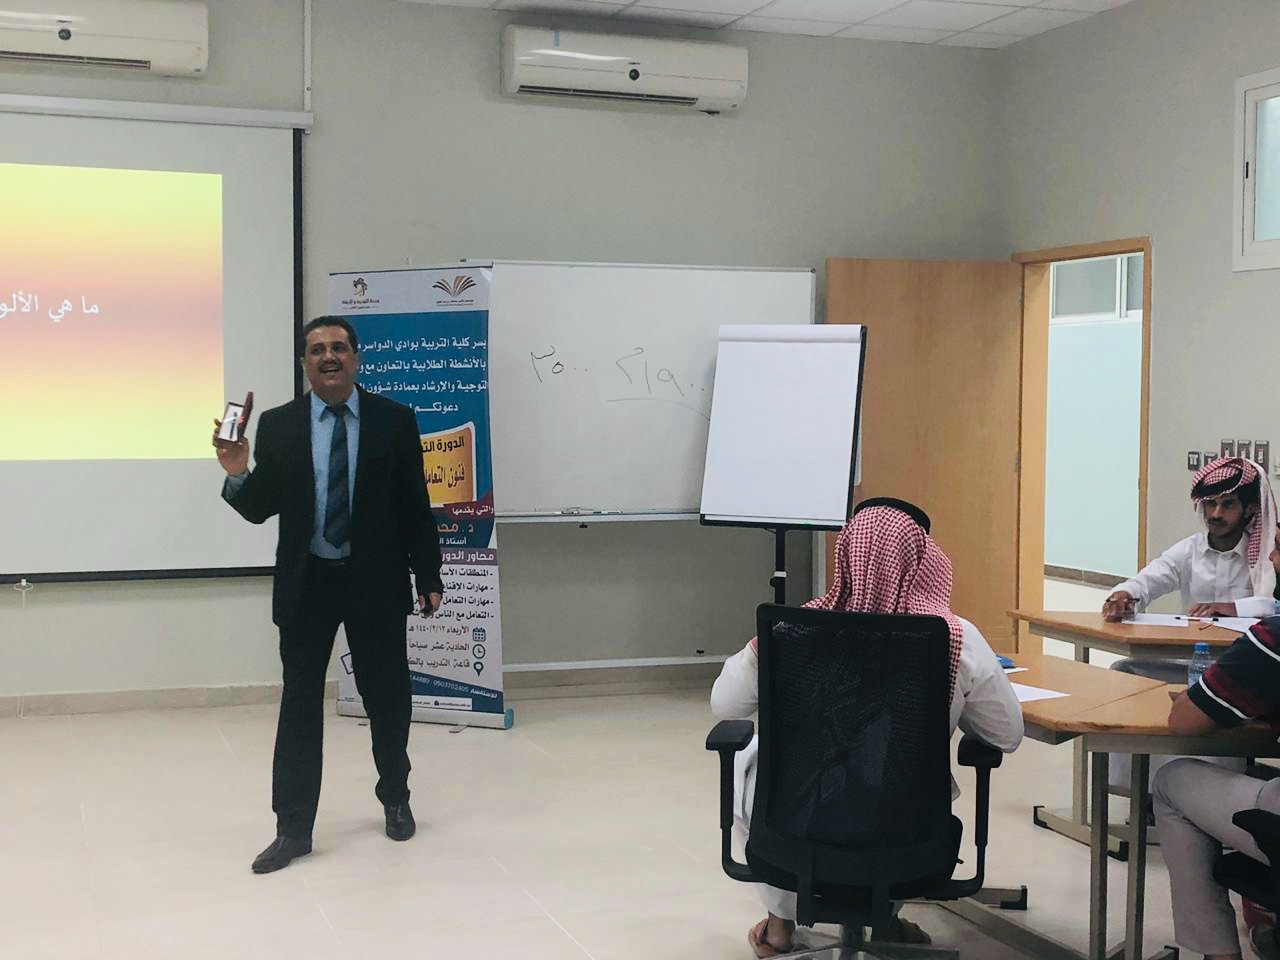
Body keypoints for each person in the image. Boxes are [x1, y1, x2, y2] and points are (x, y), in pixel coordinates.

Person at [710, 498, 1023, 958]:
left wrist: (763, 647)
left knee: (748, 757)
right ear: (923, 560)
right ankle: (885, 921)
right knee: (886, 778)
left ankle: (780, 923)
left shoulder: (793, 630)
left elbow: (724, 704)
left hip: (794, 838)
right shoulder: (955, 639)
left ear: (845, 556)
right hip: (908, 842)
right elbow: (1006, 735)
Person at [214, 315, 444, 874]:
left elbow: (415, 505)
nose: (329, 357)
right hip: (308, 583)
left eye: (339, 347)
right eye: (317, 350)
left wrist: (429, 575)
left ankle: (395, 796)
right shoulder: (280, 425)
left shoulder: (394, 420)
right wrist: (238, 472)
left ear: (356, 358)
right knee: (298, 705)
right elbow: (259, 508)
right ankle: (292, 828)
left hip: (375, 581)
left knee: (387, 697)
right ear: (305, 364)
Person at [1153, 525, 1280, 960]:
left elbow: (1185, 722)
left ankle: (1217, 953)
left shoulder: (1271, 640)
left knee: (1171, 782)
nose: (1272, 560)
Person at [1103, 457, 1278, 623]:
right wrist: (1123, 596)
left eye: (1228, 504)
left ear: (1249, 510)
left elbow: (1275, 605)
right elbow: (1146, 582)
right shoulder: (1189, 550)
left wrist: (1236, 609)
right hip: (1193, 643)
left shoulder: (1267, 558)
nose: (1216, 514)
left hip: (1248, 644)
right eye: (1211, 504)